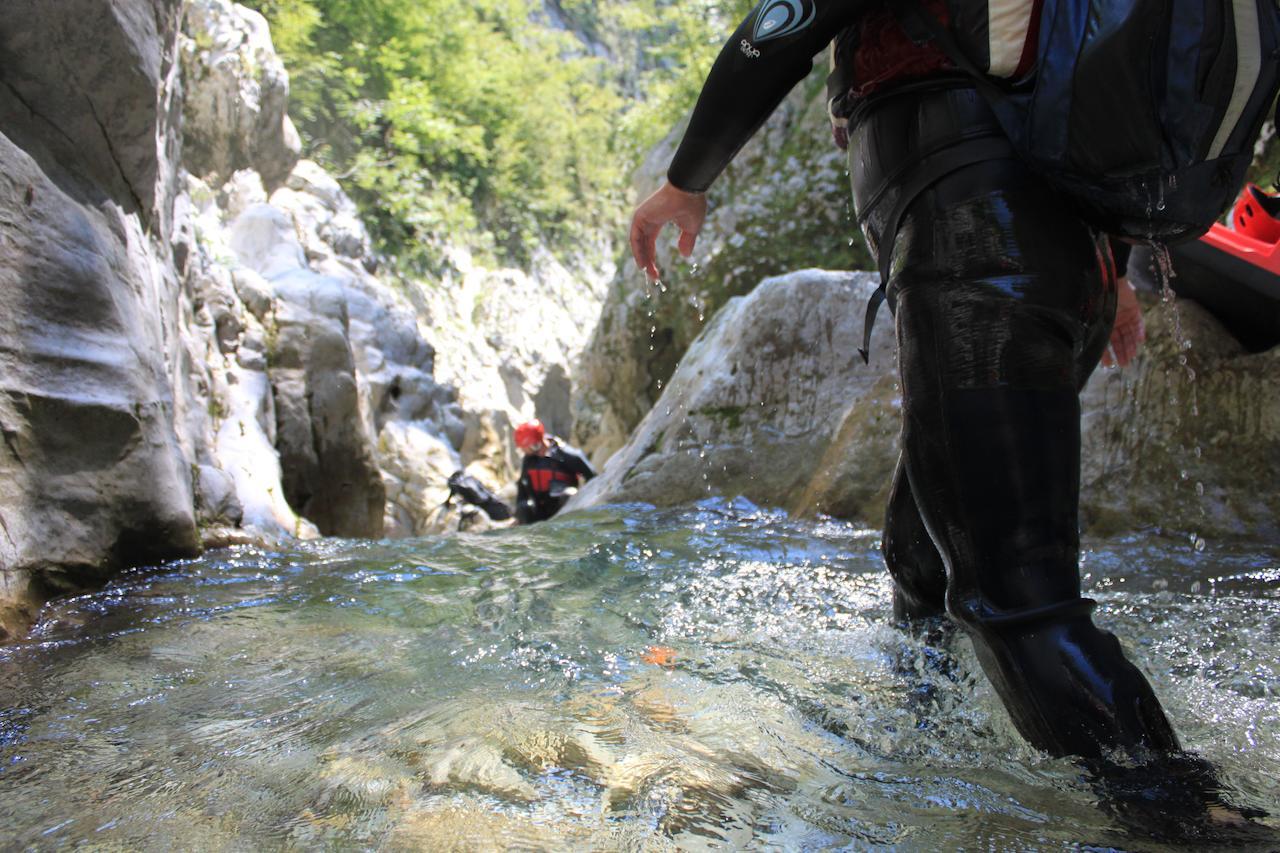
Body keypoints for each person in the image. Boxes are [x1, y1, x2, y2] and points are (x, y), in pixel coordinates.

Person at [629, 0, 1264, 836]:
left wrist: (685, 181)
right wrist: (1106, 275)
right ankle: (920, 738)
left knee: (1017, 601)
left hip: (973, 234)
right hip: (1046, 251)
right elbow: (1066, 87)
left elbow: (786, 25)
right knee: (918, 554)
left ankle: (1193, 818)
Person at [513, 419, 597, 524]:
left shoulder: (566, 455)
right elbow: (523, 487)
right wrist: (518, 515)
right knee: (523, 508)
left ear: (535, 445)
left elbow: (592, 476)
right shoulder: (529, 460)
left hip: (564, 507)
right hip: (540, 511)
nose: (522, 450)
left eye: (524, 447)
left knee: (568, 494)